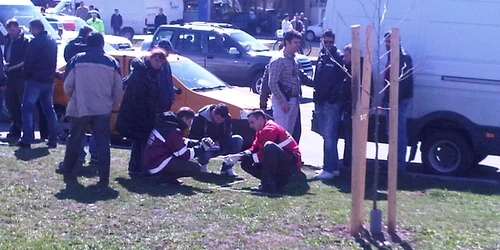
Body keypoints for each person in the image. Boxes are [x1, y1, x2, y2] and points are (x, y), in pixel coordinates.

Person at [58, 32, 122, 186]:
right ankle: (104, 175)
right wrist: (110, 102)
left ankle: (69, 167)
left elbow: (68, 85)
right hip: (103, 108)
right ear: (102, 43)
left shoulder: (77, 59)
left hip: (81, 106)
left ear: (87, 43)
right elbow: (118, 87)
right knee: (102, 142)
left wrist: (75, 97)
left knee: (75, 138)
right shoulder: (112, 62)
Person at [224, 110, 303, 193]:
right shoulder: (261, 130)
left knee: (269, 147)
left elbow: (262, 156)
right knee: (246, 163)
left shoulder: (270, 129)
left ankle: (268, 185)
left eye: (252, 122)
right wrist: (240, 155)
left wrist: (241, 157)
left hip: (291, 164)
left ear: (260, 119)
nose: (251, 126)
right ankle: (276, 181)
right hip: (282, 161)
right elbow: (253, 148)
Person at [116, 49, 167, 177]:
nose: (158, 64)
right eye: (156, 60)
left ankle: (138, 168)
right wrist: (143, 116)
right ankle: (138, 169)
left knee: (141, 142)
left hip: (146, 113)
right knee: (140, 141)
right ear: (150, 58)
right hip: (137, 113)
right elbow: (137, 97)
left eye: (161, 62)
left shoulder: (153, 73)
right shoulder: (142, 73)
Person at [144, 108, 214, 185]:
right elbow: (184, 155)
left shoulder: (167, 125)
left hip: (154, 161)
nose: (189, 124)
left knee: (188, 163)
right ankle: (163, 177)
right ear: (184, 119)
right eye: (189, 121)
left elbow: (179, 142)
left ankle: (165, 177)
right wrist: (202, 148)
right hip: (157, 164)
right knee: (195, 168)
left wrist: (197, 142)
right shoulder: (172, 130)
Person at [16, 19, 58, 149]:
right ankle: (53, 139)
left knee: (27, 108)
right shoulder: (52, 42)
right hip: (48, 80)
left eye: (31, 29)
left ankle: (27, 139)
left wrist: (25, 75)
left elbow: (28, 62)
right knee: (49, 110)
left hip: (34, 80)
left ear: (35, 29)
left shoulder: (35, 43)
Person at [312, 29, 346, 180]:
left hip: (331, 104)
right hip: (320, 101)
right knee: (327, 136)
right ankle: (333, 167)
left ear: (334, 41)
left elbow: (342, 81)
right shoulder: (322, 55)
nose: (328, 45)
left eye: (330, 42)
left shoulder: (338, 57)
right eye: (325, 42)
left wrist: (333, 98)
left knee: (329, 137)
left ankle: (329, 169)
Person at [383, 31, 414, 172]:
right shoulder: (391, 55)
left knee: (398, 132)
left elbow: (404, 82)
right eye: (386, 42)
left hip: (399, 100)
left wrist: (393, 102)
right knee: (391, 132)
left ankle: (399, 166)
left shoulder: (404, 57)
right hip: (391, 99)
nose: (388, 44)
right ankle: (392, 163)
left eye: (390, 42)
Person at [188, 103, 243, 177]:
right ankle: (202, 165)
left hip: (220, 145)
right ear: (213, 112)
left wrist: (219, 142)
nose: (219, 121)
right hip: (205, 147)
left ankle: (227, 168)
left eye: (221, 120)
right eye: (217, 119)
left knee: (238, 139)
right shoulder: (199, 118)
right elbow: (193, 136)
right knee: (204, 149)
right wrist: (207, 142)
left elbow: (228, 134)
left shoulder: (227, 118)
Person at [267, 30, 305, 136]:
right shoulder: (278, 60)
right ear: (287, 42)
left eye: (299, 42)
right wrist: (283, 101)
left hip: (293, 100)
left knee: (289, 135)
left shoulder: (294, 58)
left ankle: (287, 153)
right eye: (295, 42)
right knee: (281, 134)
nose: (298, 45)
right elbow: (272, 83)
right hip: (282, 102)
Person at [3, 19, 29, 140]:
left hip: (20, 76)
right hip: (10, 76)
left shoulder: (25, 41)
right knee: (11, 103)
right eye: (9, 30)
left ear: (18, 27)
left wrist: (11, 67)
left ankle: (26, 131)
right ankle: (15, 128)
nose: (11, 32)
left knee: (22, 104)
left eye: (13, 30)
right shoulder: (8, 39)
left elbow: (25, 60)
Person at [157, 39, 179, 112]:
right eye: (168, 50)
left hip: (166, 103)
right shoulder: (156, 64)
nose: (169, 52)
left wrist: (173, 90)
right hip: (158, 103)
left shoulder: (166, 63)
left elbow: (167, 81)